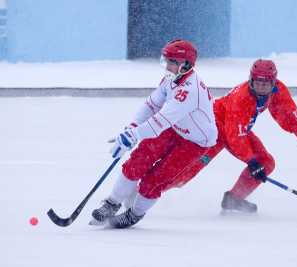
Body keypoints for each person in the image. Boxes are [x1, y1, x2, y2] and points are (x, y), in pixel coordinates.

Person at [165, 59, 297, 213]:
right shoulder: (241, 98)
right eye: (257, 83)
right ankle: (148, 190)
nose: (261, 88)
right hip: (213, 129)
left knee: (266, 163)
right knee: (182, 176)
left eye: (265, 84)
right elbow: (235, 137)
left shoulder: (278, 91)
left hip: (239, 129)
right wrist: (251, 162)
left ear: (274, 82)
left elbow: (291, 116)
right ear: (251, 80)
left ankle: (234, 198)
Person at [90, 39, 218, 228]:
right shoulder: (170, 78)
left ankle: (135, 214)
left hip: (196, 142)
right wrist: (131, 128)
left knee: (156, 179)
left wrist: (133, 135)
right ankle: (112, 202)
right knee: (139, 159)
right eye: (167, 60)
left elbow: (160, 121)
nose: (167, 65)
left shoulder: (189, 91)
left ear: (186, 65)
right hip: (174, 128)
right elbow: (152, 104)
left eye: (172, 62)